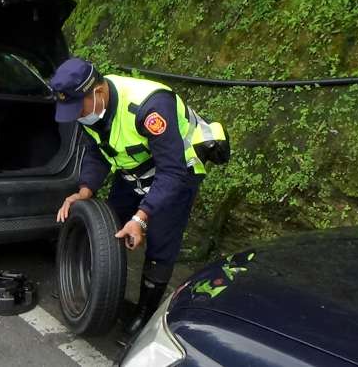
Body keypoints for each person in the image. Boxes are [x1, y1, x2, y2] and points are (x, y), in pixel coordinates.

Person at [50, 58, 227, 343]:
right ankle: (95, 291)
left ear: (97, 92)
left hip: (178, 172)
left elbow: (171, 172)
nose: (76, 116)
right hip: (134, 167)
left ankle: (145, 312)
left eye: (77, 108)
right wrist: (85, 190)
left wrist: (141, 218)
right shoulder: (90, 111)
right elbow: (97, 151)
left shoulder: (150, 108)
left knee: (160, 240)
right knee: (108, 223)